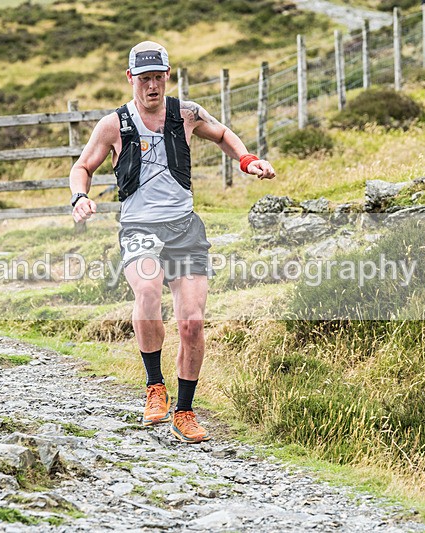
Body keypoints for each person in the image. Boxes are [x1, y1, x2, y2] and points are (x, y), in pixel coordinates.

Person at [69, 41, 276, 444]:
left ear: (167, 76)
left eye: (158, 78)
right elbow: (83, 166)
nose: (152, 87)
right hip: (140, 227)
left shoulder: (185, 114)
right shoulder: (114, 125)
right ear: (130, 78)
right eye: (144, 79)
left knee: (192, 323)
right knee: (147, 290)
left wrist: (247, 160)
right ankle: (154, 386)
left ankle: (184, 411)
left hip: (184, 228)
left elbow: (222, 133)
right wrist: (80, 196)